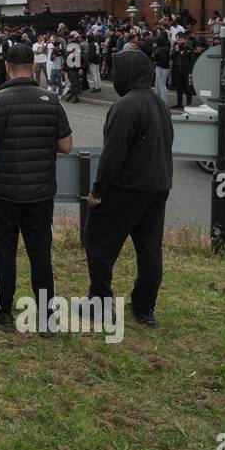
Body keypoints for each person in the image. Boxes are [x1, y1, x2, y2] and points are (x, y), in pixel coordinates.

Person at [0, 43, 73, 334]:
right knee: (41, 252)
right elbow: (66, 146)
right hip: (41, 191)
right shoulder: (52, 100)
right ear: (33, 65)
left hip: (3, 190)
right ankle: (46, 317)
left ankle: (3, 311)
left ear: (6, 66)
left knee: (4, 252)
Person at [84, 52, 173, 327]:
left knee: (97, 242)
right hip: (158, 185)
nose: (112, 72)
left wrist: (98, 190)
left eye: (116, 68)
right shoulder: (160, 104)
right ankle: (144, 307)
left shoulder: (125, 106)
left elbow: (113, 154)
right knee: (149, 251)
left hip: (127, 186)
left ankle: (100, 303)